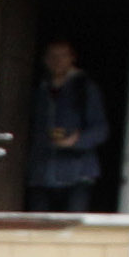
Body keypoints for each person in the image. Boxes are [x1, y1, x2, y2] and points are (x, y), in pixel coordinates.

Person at [25, 39, 111, 215]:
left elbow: (101, 129)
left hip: (77, 173)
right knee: (38, 227)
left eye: (63, 56)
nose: (57, 61)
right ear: (45, 60)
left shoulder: (85, 88)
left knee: (73, 228)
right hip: (41, 172)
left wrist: (76, 141)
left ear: (72, 58)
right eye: (52, 57)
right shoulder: (40, 88)